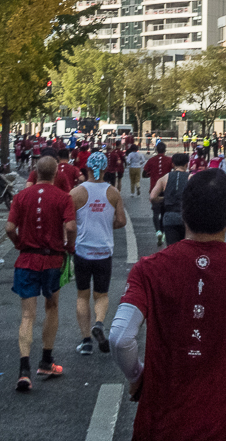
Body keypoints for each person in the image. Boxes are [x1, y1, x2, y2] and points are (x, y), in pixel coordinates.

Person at [110, 171, 226, 441]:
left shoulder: (148, 269)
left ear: (183, 213)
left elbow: (121, 337)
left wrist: (137, 375)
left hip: (160, 427)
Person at [7, 156, 76, 392]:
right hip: (52, 260)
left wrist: (18, 243)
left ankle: (23, 370)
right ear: (57, 174)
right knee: (52, 307)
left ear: (34, 173)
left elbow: (8, 227)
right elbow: (70, 227)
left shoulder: (20, 197)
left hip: (26, 258)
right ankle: (46, 361)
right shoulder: (63, 197)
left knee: (27, 315)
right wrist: (70, 246)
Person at [70, 152, 127, 355]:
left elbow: (68, 224)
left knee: (82, 295)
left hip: (82, 250)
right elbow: (121, 221)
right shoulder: (113, 193)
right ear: (106, 169)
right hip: (104, 251)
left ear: (85, 167)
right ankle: (100, 323)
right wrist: (106, 224)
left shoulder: (76, 193)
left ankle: (86, 341)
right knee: (101, 294)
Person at [149, 152, 190, 246]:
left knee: (172, 248)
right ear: (187, 164)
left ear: (172, 164)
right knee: (185, 247)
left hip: (170, 216)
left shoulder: (164, 178)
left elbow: (152, 197)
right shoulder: (191, 178)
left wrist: (164, 199)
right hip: (186, 216)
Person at [142, 142, 173, 245]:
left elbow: (144, 174)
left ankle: (158, 232)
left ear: (156, 149)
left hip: (154, 190)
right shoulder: (169, 160)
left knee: (155, 213)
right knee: (164, 213)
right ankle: (163, 232)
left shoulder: (151, 160)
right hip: (166, 190)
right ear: (165, 150)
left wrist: (152, 174)